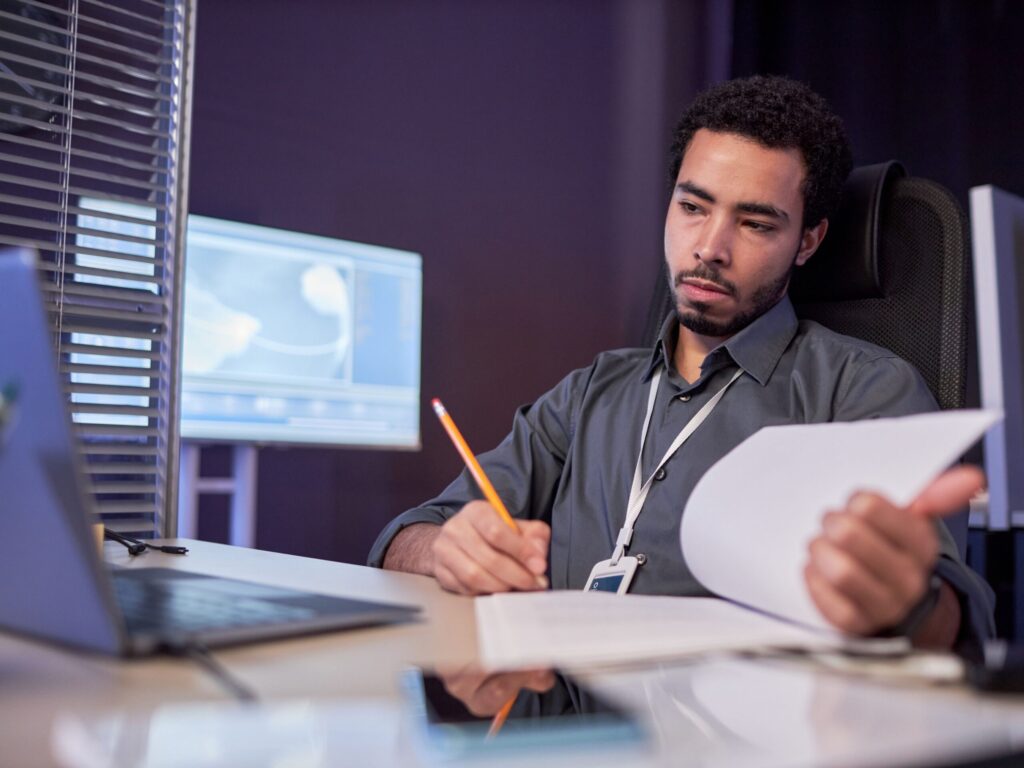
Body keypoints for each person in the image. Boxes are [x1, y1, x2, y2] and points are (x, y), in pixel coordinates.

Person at [368, 75, 994, 654]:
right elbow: (408, 536)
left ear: (808, 240)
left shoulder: (864, 393)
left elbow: (954, 623)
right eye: (693, 207)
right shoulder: (590, 393)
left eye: (754, 222)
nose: (709, 248)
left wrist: (909, 607)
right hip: (552, 730)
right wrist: (447, 549)